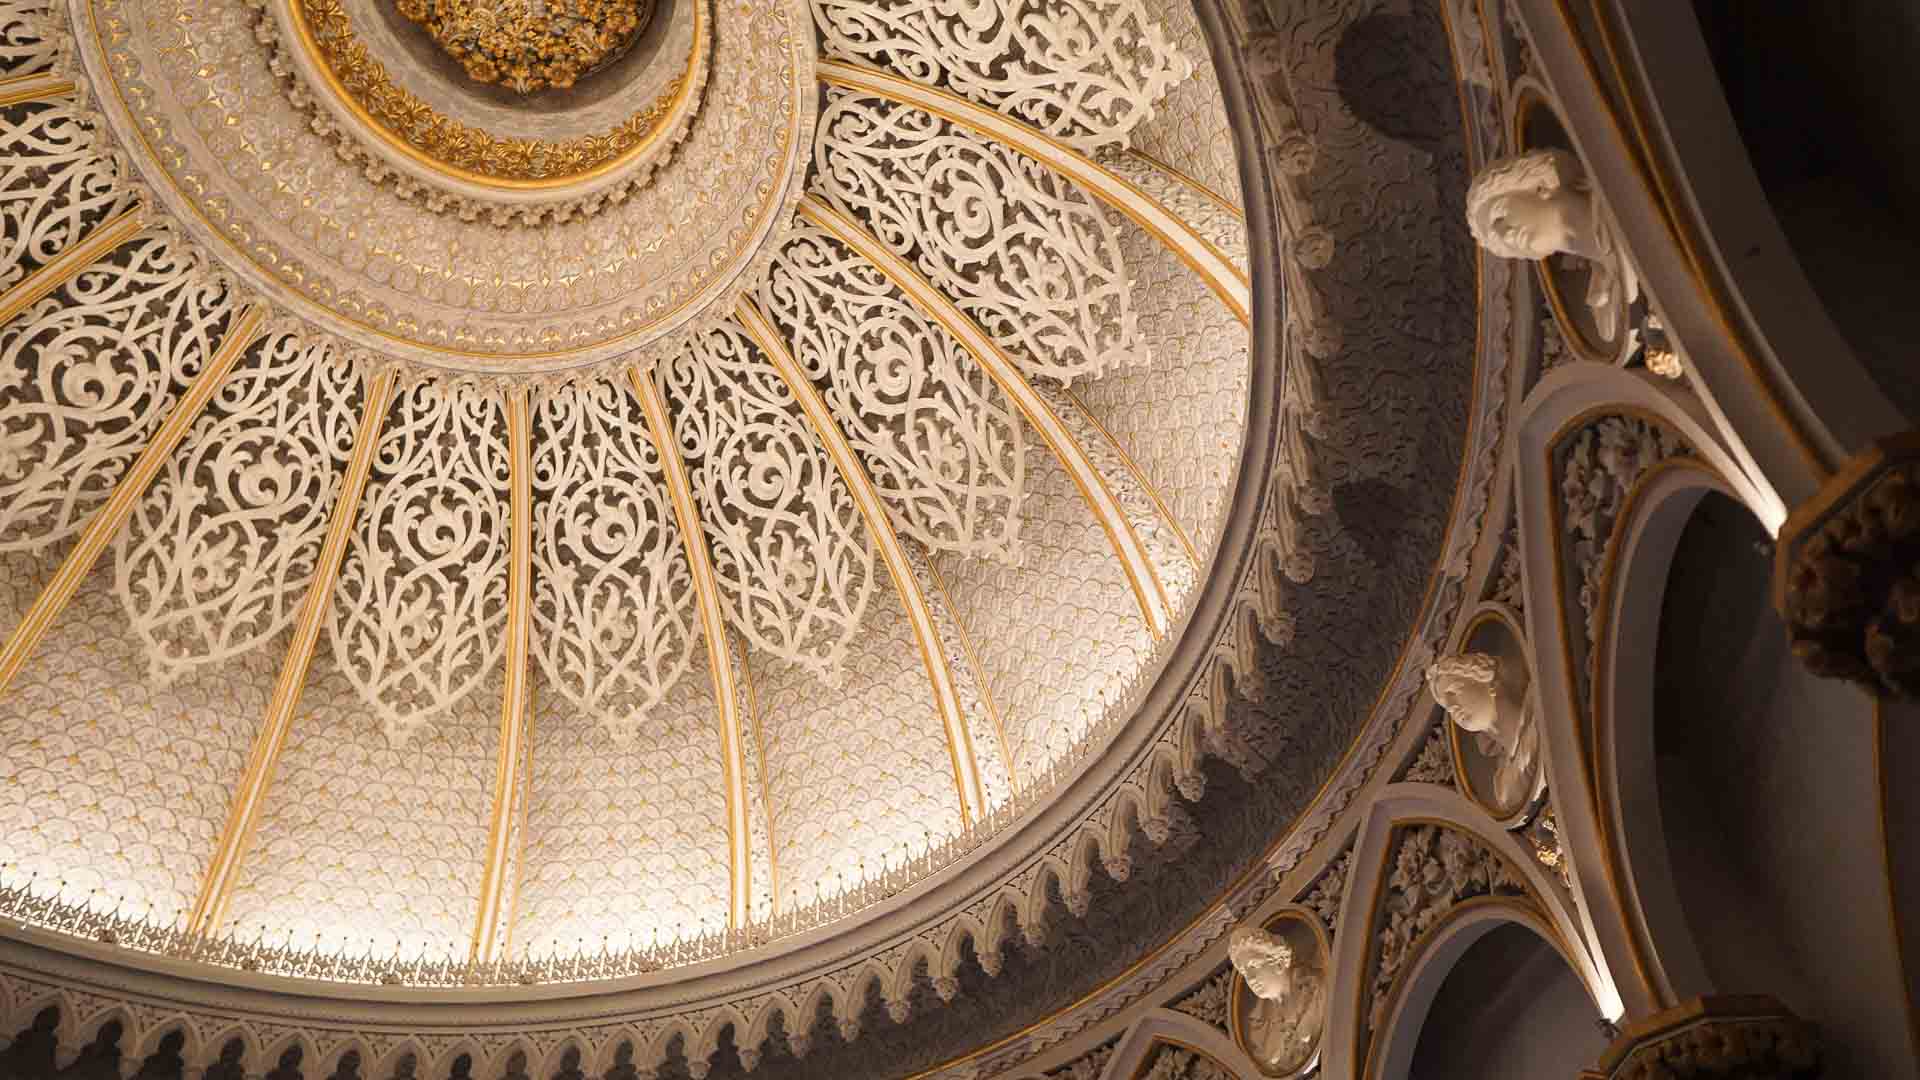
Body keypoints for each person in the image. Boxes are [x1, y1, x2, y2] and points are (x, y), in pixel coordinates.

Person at [1466, 149, 1639, 344]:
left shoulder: (1620, 194)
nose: (1506, 234)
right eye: (1498, 236)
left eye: (1501, 216)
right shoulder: (1603, 302)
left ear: (1541, 185)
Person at [1425, 652, 1541, 810]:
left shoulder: (1539, 705)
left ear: (1489, 682)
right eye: (1446, 705)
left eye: (1454, 692)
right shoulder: (1503, 786)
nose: (1451, 706)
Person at [1228, 925, 1327, 1070]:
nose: (1250, 978)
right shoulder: (1260, 1030)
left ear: (1279, 962)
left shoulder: (1319, 988)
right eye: (1245, 972)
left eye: (1254, 966)